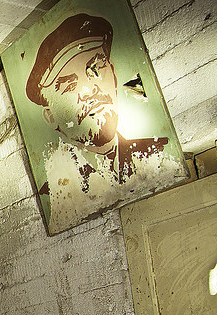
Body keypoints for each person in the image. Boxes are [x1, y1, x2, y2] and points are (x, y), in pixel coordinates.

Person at [24, 13, 181, 231]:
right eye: (69, 86)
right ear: (51, 117)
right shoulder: (52, 196)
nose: (90, 90)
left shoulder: (161, 154)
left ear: (114, 74)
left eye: (96, 69)